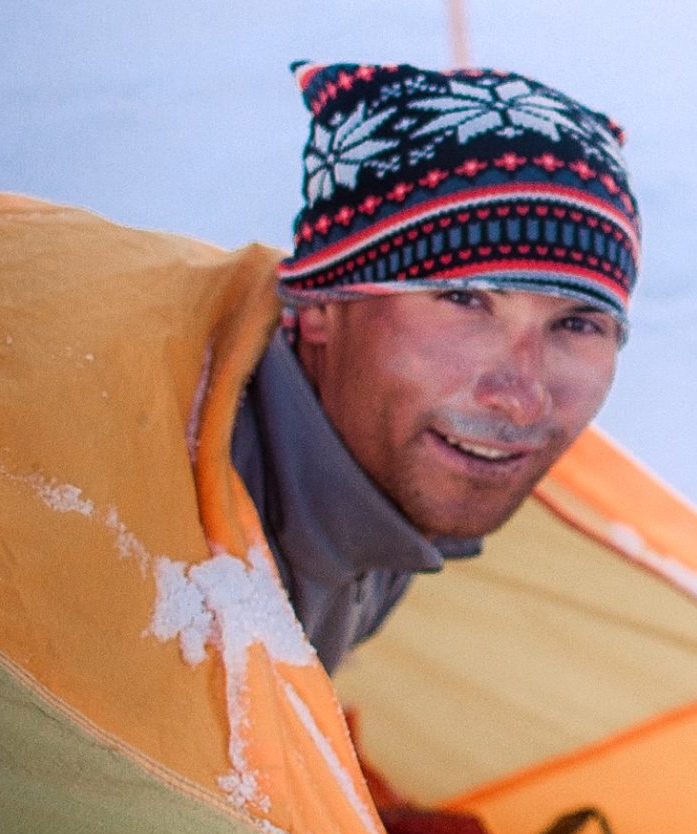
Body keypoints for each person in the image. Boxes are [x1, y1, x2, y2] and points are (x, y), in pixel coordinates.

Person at [231, 60, 642, 672]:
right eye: (463, 300)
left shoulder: (381, 493)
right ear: (320, 302)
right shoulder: (149, 512)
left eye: (577, 325)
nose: (521, 397)